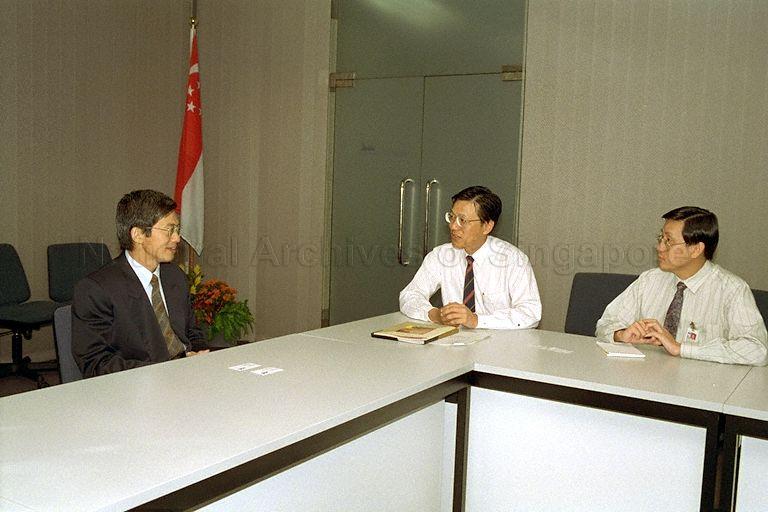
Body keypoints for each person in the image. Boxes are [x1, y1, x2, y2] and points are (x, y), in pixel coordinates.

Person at [596, 206, 767, 365]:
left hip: (702, 389)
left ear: (695, 249)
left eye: (669, 241)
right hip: (647, 380)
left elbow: (758, 350)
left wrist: (681, 348)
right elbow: (606, 323)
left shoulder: (732, 290)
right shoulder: (650, 280)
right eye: (661, 238)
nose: (659, 247)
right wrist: (621, 334)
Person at [72, 190, 209, 377]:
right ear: (138, 235)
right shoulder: (96, 289)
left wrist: (200, 355)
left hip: (187, 377)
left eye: (177, 230)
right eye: (169, 230)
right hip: (137, 387)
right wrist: (164, 372)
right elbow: (95, 363)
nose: (177, 238)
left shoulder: (174, 276)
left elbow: (192, 332)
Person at [399, 186, 541, 329]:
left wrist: (475, 320)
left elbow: (531, 313)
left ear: (487, 226)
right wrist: (434, 314)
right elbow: (409, 295)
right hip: (453, 344)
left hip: (500, 346)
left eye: (462, 220)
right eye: (452, 217)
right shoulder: (441, 256)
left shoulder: (513, 260)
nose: (453, 226)